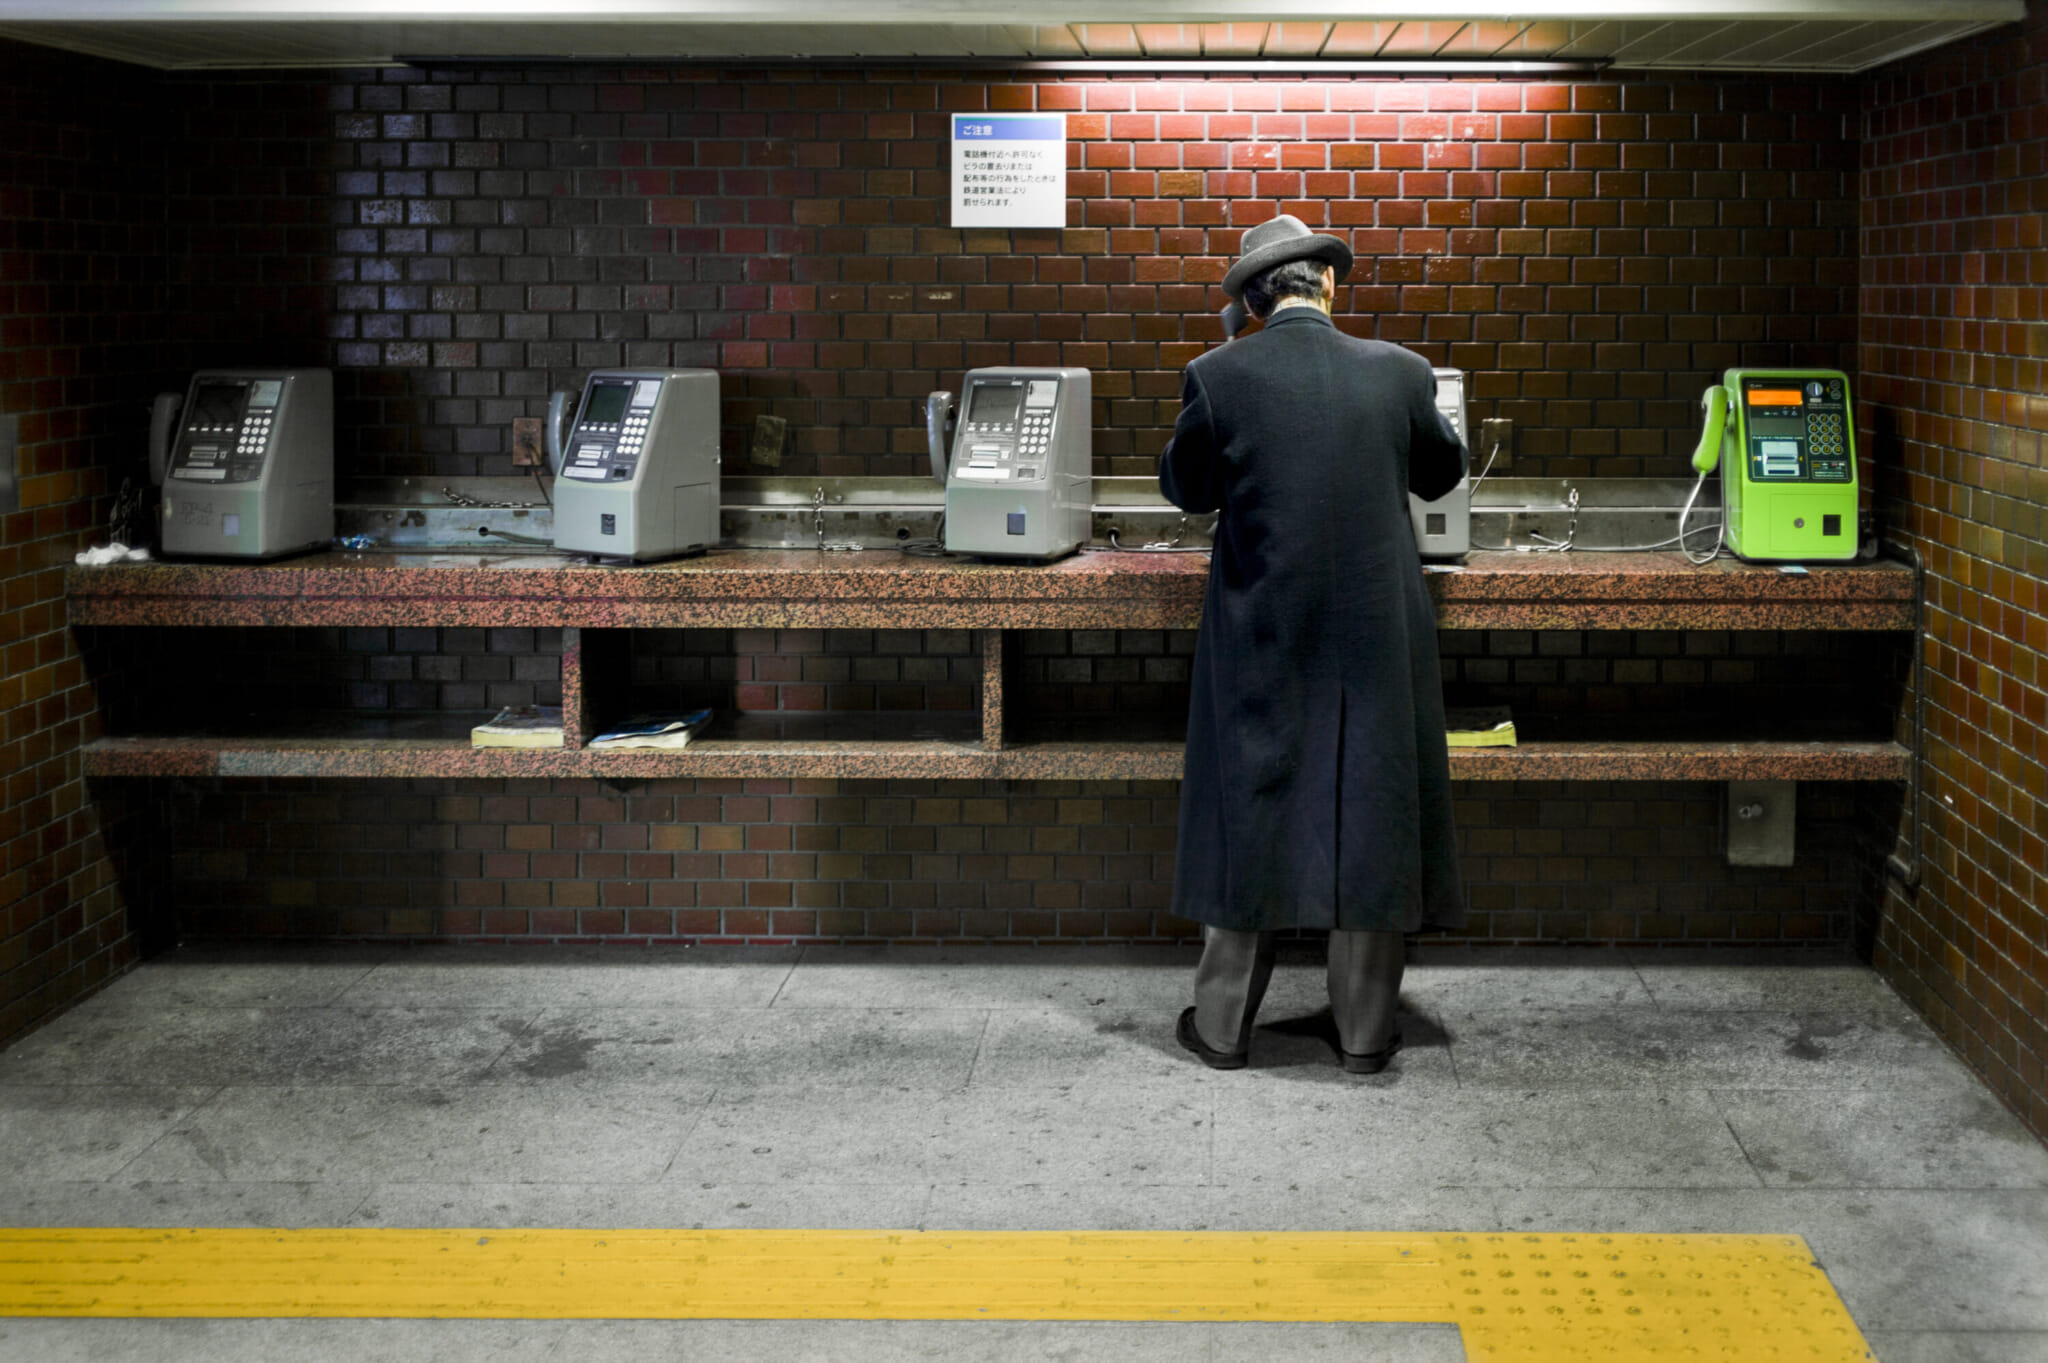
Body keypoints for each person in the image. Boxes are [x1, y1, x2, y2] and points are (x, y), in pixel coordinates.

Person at [1159, 213, 1468, 1074]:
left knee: (1248, 809)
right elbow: (1445, 471)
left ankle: (1222, 1028)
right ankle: (1366, 1033)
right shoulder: (1402, 373)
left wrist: (1222, 363)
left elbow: (1186, 487)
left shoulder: (1220, 374)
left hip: (1263, 630)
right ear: (1328, 285)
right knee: (1372, 810)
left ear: (1253, 302)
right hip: (1376, 635)